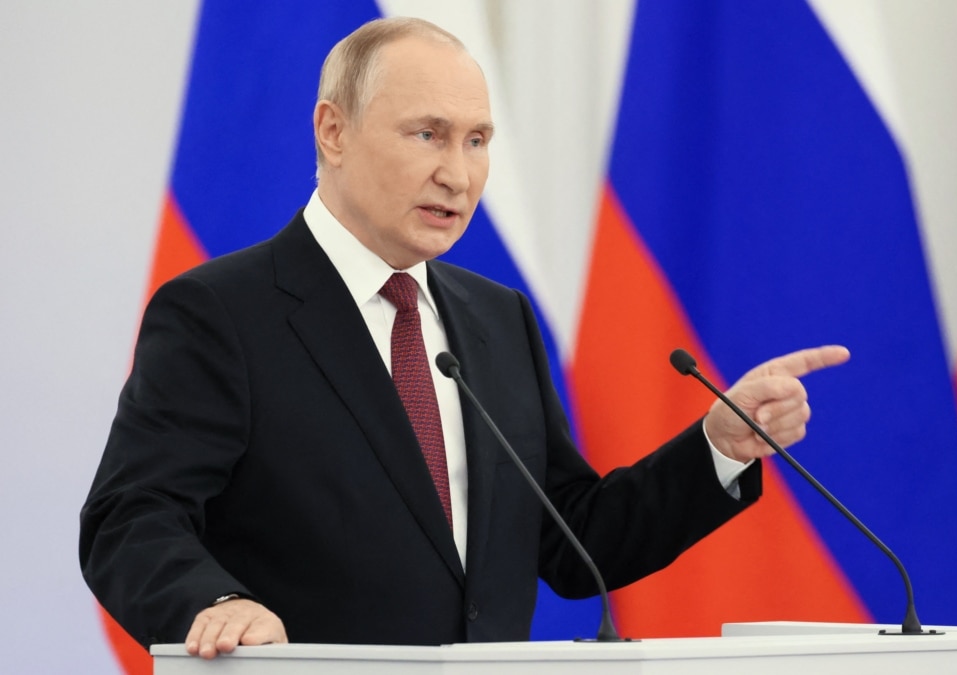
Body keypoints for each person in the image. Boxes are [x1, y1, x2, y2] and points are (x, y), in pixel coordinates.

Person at [79, 16, 849, 660]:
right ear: (333, 131)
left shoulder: (495, 317)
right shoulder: (221, 312)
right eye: (429, 135)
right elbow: (130, 517)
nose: (459, 173)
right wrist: (213, 601)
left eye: (477, 141)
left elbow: (574, 538)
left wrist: (718, 445)